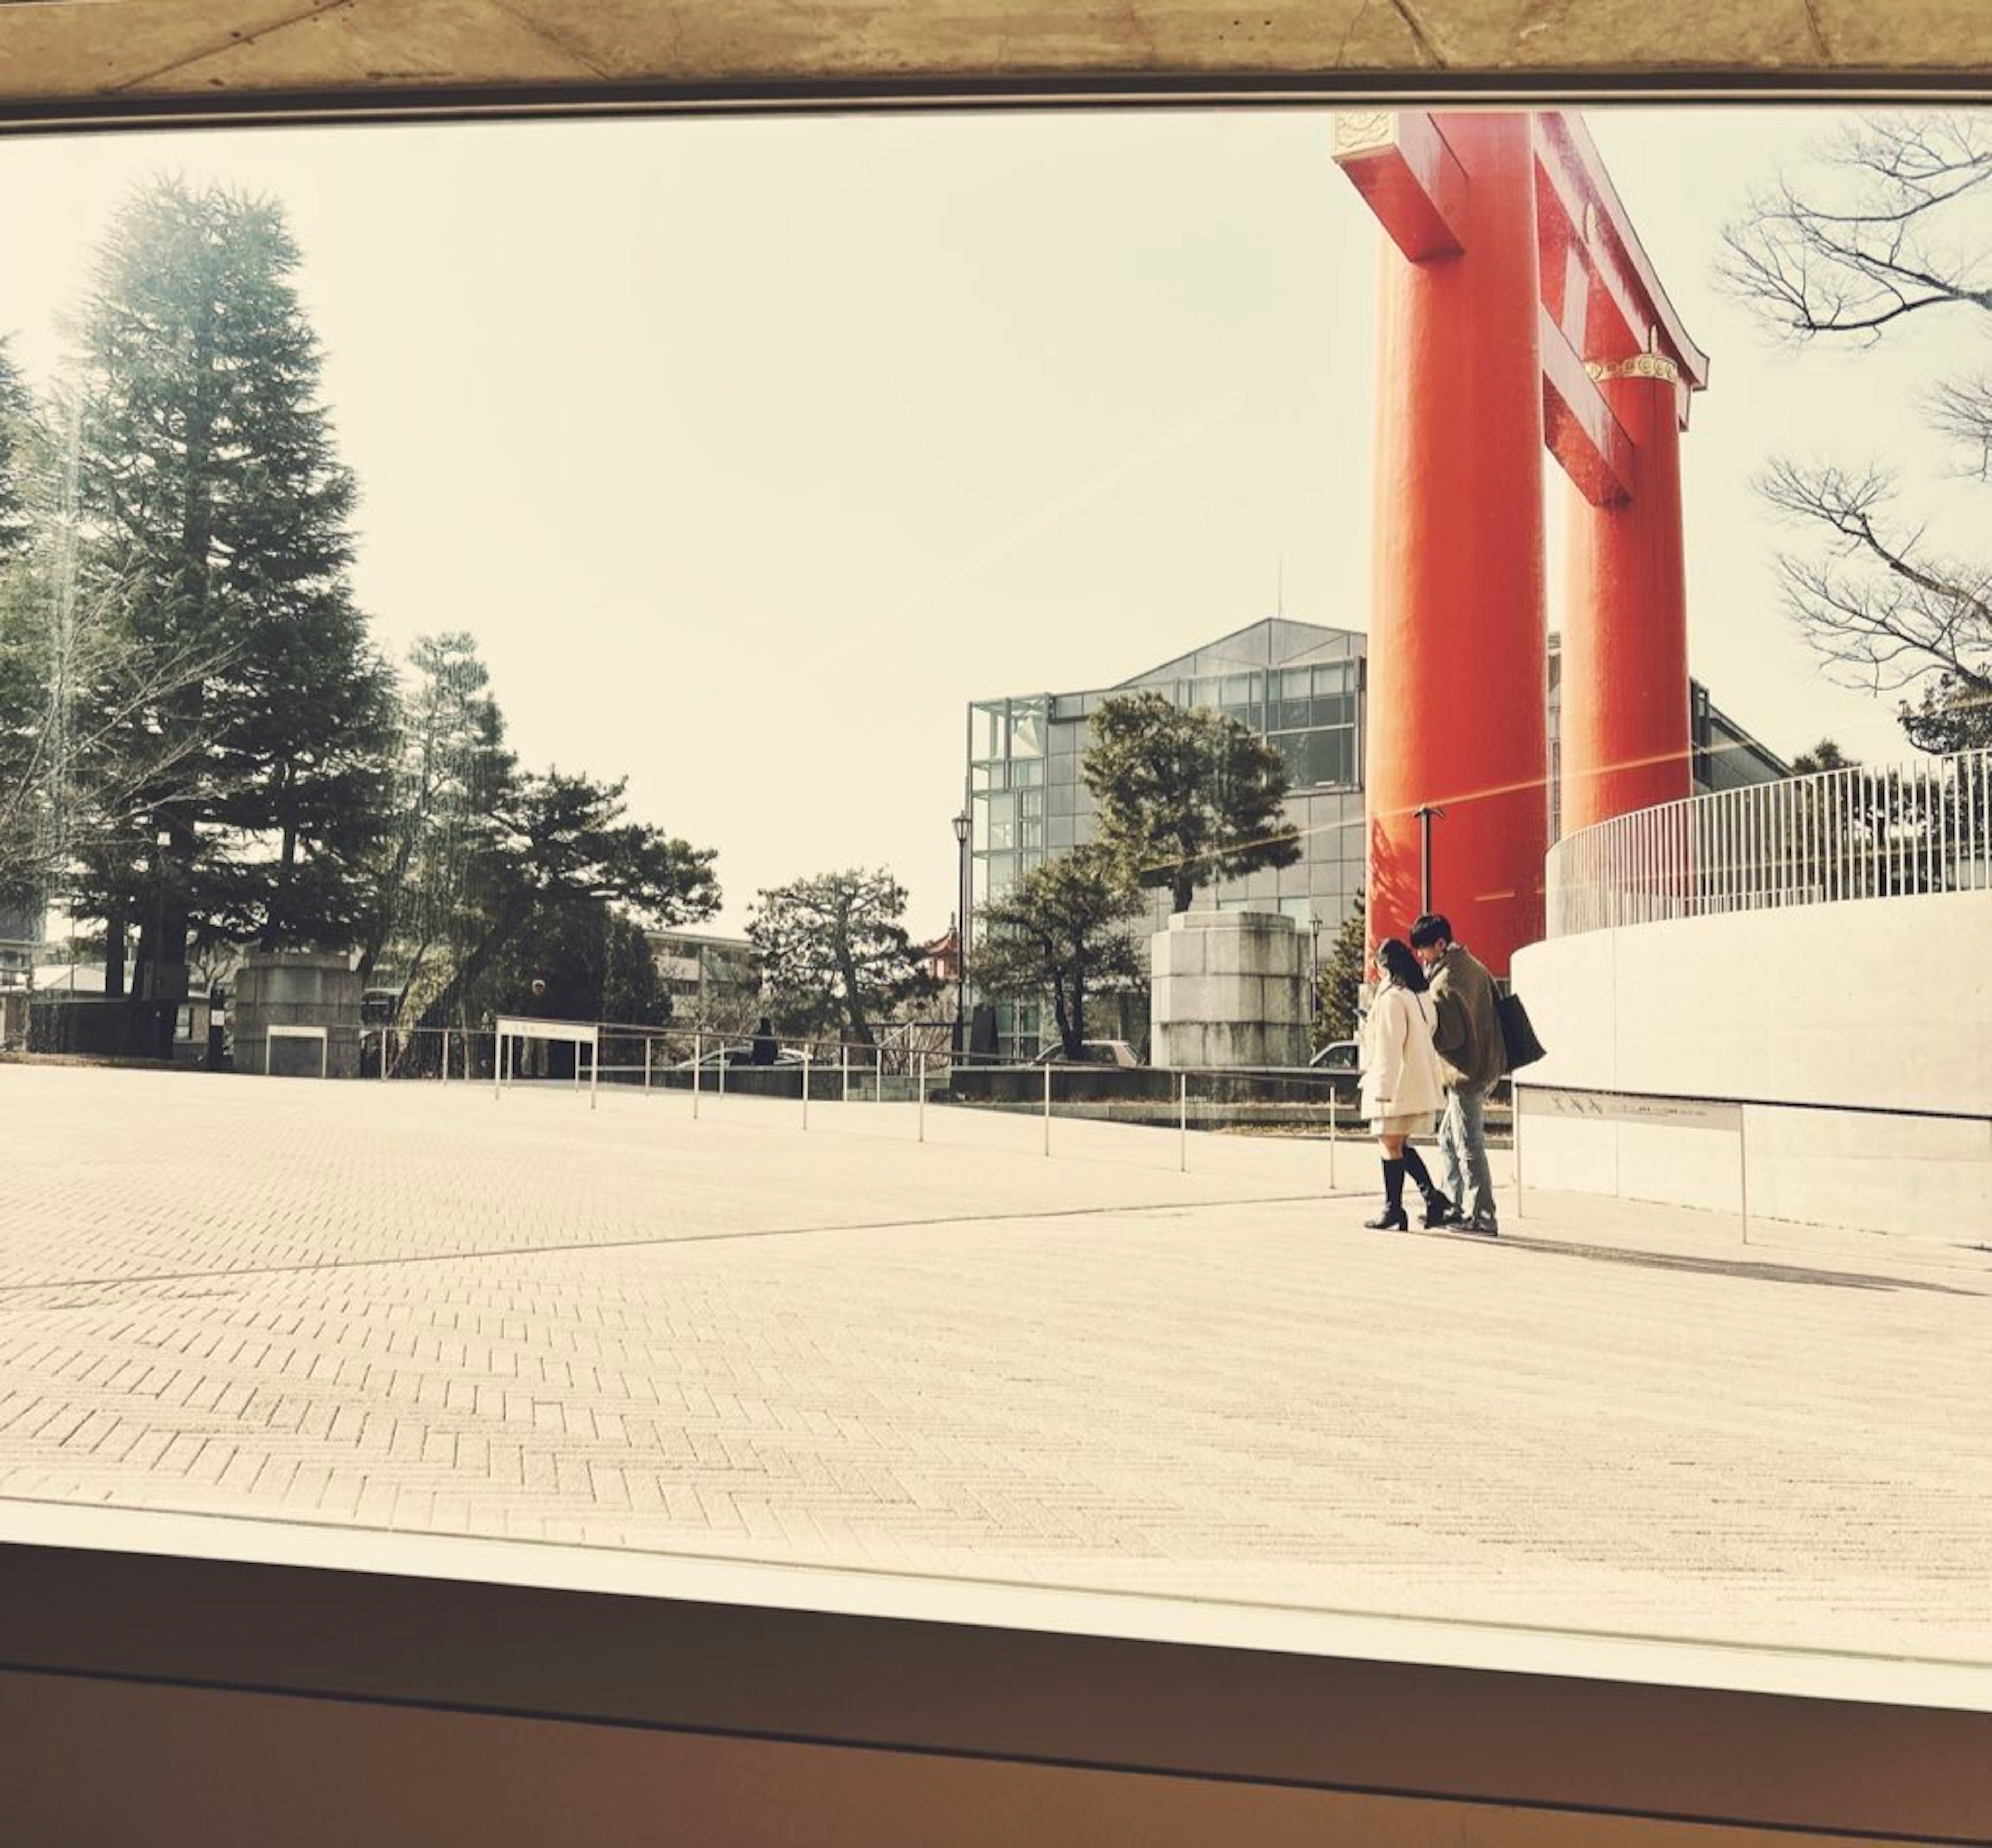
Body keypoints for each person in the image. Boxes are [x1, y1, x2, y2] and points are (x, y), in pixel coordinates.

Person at [1408, 912, 1506, 1236]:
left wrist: (1423, 1024)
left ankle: (1483, 1216)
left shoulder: (1447, 979)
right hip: (1487, 1064)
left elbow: (1449, 1036)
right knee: (1449, 1138)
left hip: (1467, 1072)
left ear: (1440, 944)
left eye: (1424, 950)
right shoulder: (1474, 966)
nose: (1421, 956)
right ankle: (1453, 1207)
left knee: (1468, 1144)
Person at [1357, 937, 1455, 1231]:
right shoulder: (1413, 993)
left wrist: (1382, 1090)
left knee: (1390, 1144)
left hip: (1396, 1085)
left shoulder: (1391, 998)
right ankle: (1430, 1198)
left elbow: (1389, 1046)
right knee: (1397, 1144)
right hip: (1413, 1081)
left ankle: (1396, 1210)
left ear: (1383, 965)